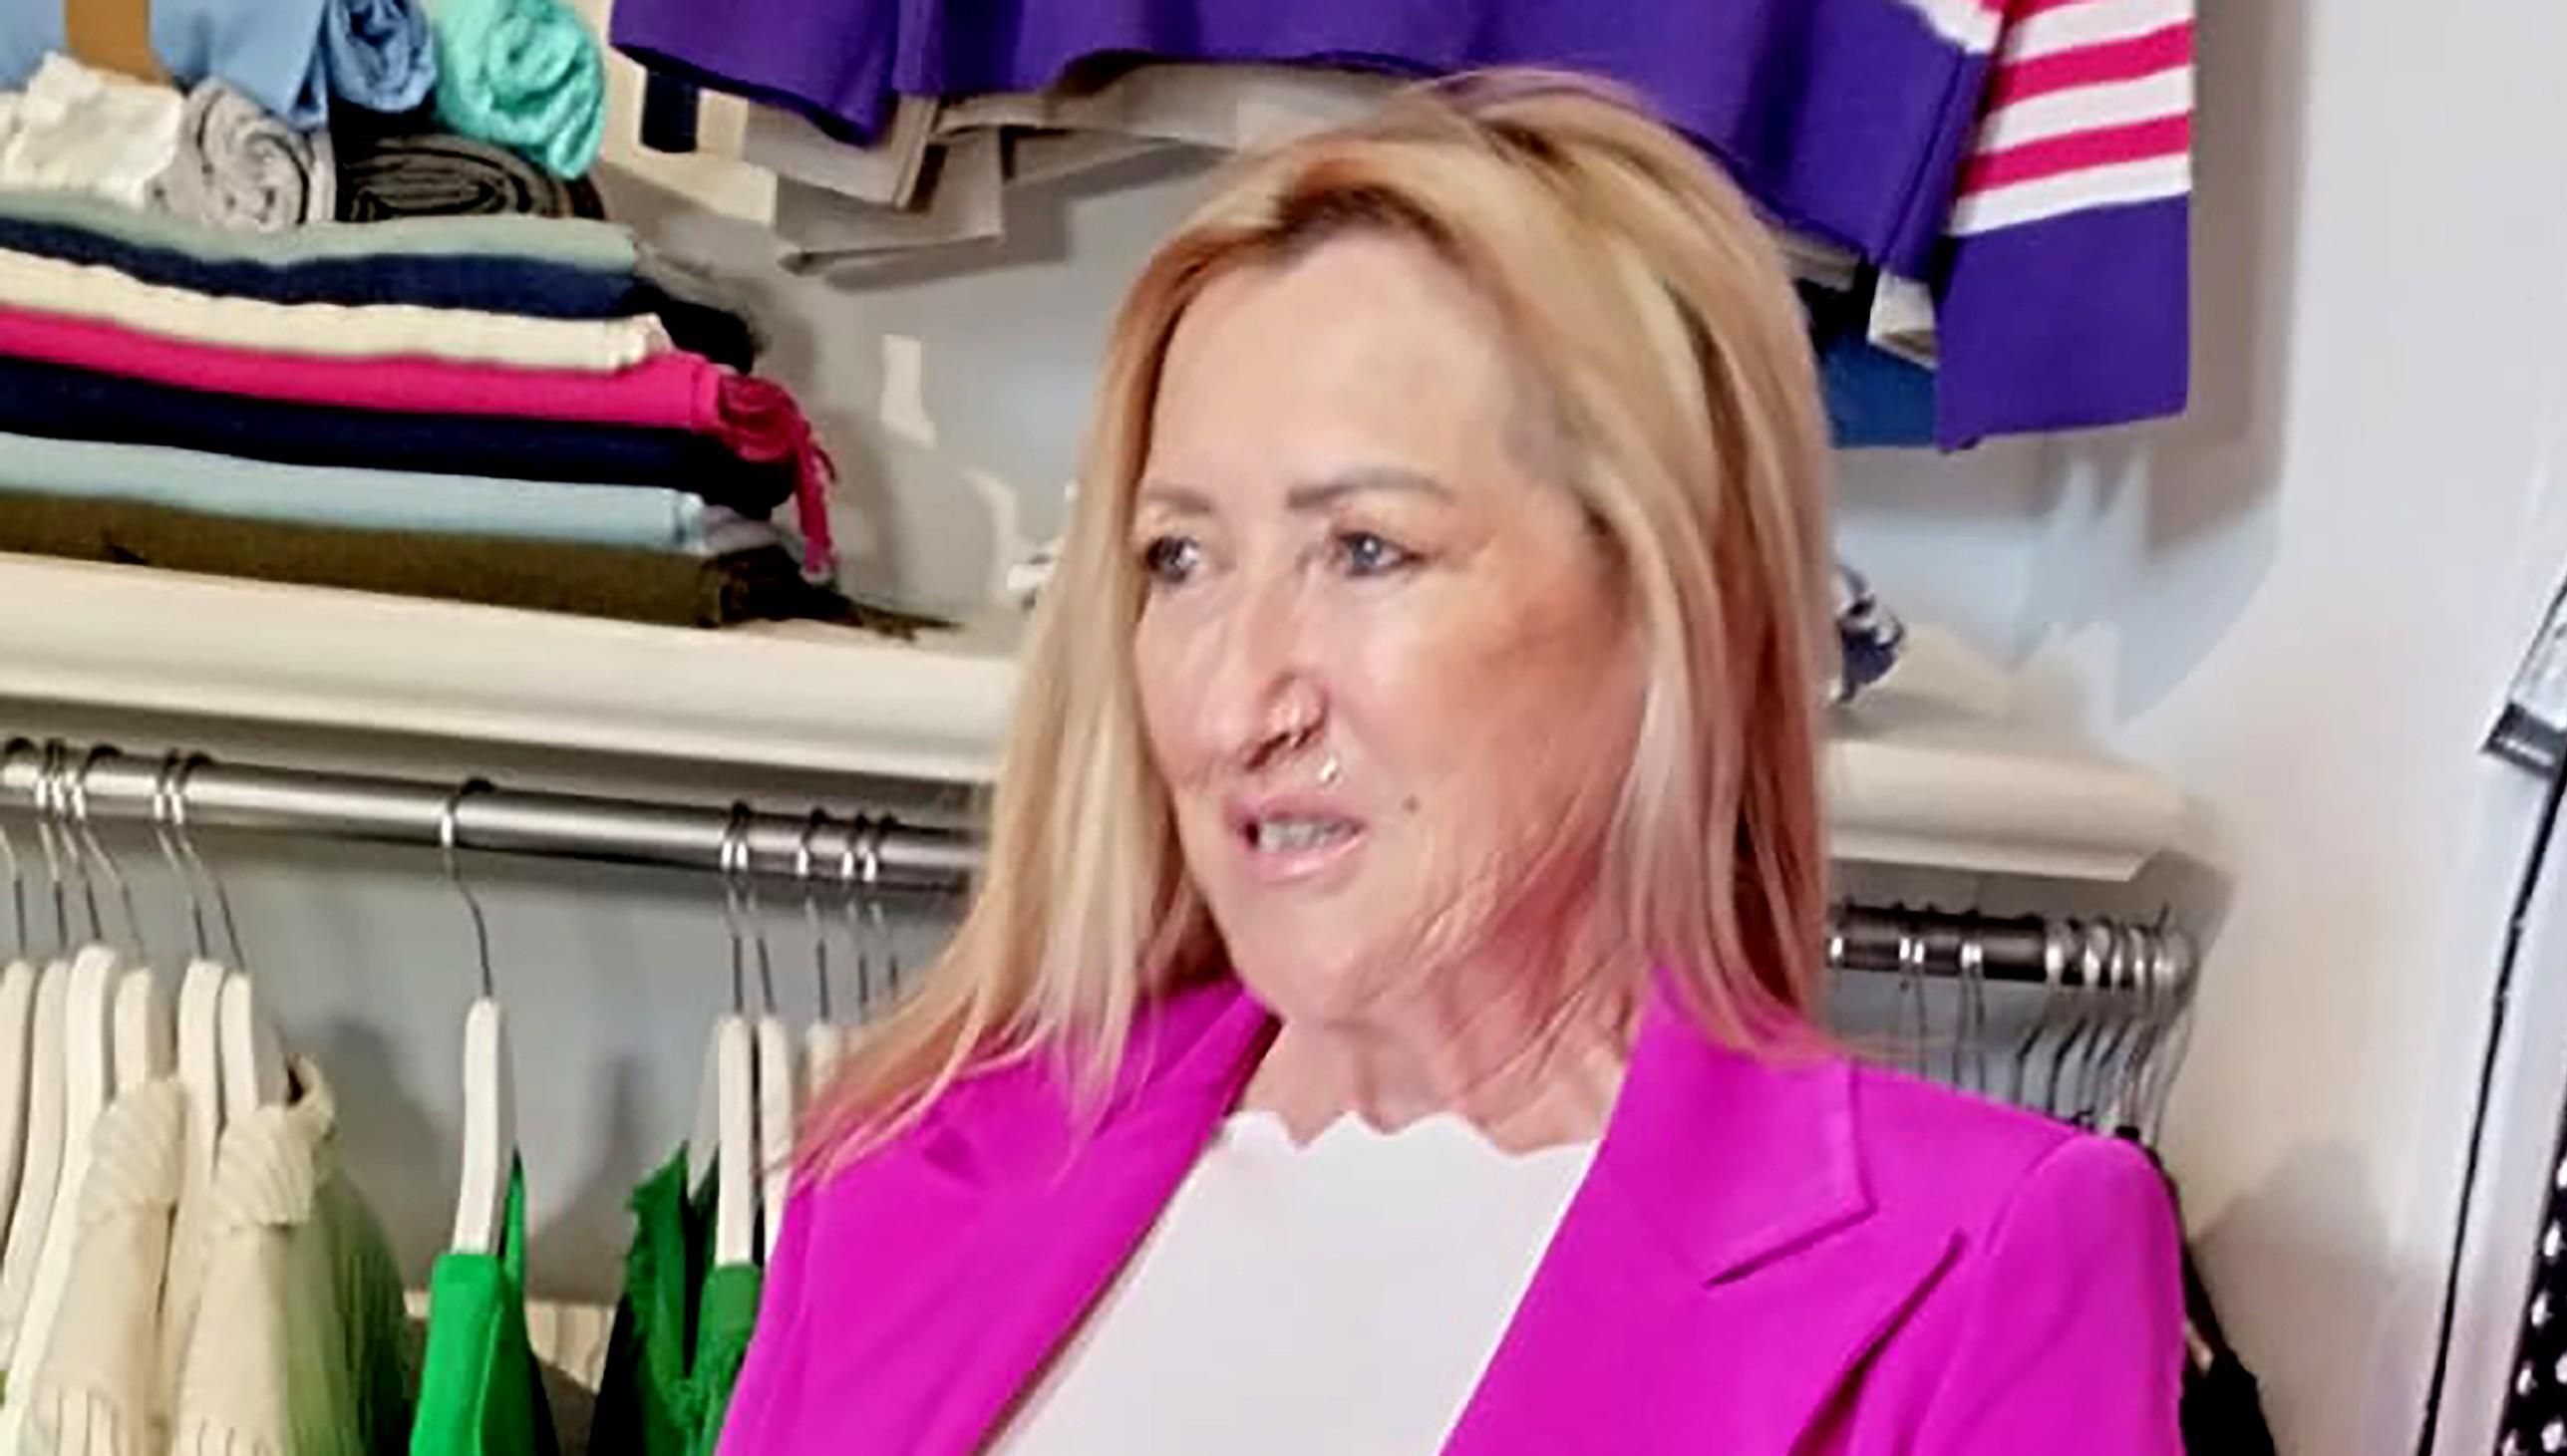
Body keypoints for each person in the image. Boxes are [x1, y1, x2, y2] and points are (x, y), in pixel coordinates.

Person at [719, 71, 2185, 1455]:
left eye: (1367, 550)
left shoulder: (1978, 1264)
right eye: (1178, 558)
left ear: (1668, 599)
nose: (1234, 705)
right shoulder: (900, 1169)